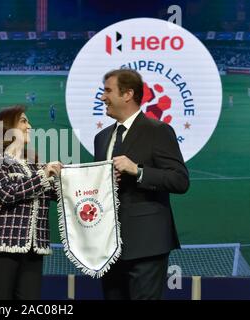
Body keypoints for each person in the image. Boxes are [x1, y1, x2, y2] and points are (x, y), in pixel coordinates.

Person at [94, 69, 189, 300]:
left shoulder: (158, 131)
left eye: (107, 90)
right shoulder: (102, 137)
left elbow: (180, 180)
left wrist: (138, 171)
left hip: (147, 244)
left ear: (128, 94)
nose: (102, 97)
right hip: (109, 246)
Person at [0, 104, 62, 300]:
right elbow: (5, 193)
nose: (30, 125)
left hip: (33, 248)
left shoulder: (34, 164)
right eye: (23, 120)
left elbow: (58, 195)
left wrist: (80, 178)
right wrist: (43, 175)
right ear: (6, 127)